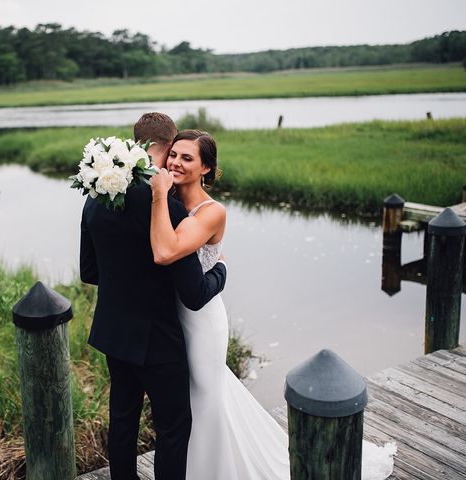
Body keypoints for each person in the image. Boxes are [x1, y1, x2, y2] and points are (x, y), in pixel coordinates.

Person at [149, 129, 396, 480]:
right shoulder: (167, 198)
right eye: (173, 155)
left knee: (205, 391)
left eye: (187, 158)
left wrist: (219, 266)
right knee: (187, 396)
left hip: (202, 319)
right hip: (172, 318)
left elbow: (169, 250)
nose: (175, 162)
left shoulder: (211, 211)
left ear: (206, 168)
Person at [79, 113, 228, 480]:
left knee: (123, 421)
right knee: (173, 428)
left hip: (114, 333)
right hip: (158, 339)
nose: (175, 164)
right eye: (174, 153)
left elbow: (90, 272)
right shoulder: (169, 207)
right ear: (164, 147)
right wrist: (222, 269)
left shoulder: (98, 195)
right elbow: (193, 294)